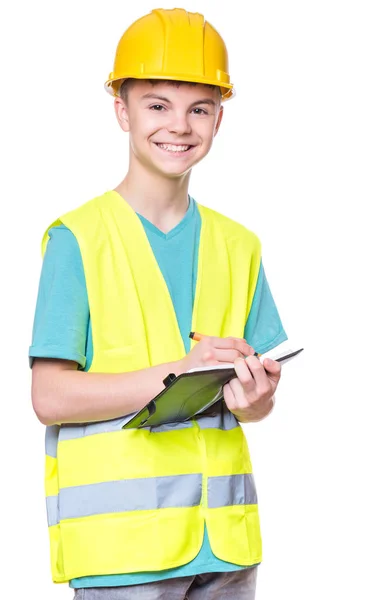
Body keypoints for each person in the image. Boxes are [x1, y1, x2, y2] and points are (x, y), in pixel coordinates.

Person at [29, 8, 288, 600]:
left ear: (219, 118)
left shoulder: (239, 245)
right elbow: (49, 398)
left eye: (198, 107)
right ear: (122, 110)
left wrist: (257, 398)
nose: (180, 125)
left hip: (224, 546)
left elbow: (250, 406)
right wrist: (179, 372)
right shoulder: (78, 240)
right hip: (125, 554)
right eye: (157, 104)